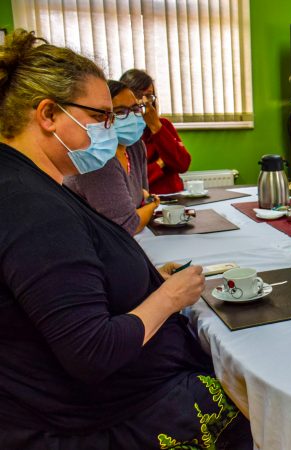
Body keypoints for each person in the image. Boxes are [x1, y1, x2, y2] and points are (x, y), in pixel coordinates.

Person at [0, 30, 251, 448]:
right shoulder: (29, 204)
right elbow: (90, 350)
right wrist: (169, 296)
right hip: (105, 418)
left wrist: (144, 276)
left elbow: (60, 286)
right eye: (100, 117)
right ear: (48, 114)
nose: (109, 130)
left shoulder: (33, 183)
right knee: (256, 404)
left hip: (105, 399)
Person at [64, 80, 158, 235]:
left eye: (135, 109)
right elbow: (128, 226)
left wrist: (144, 204)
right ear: (104, 116)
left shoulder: (135, 147)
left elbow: (142, 198)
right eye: (120, 112)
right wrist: (153, 205)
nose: (132, 117)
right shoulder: (98, 157)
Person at [120, 68, 191, 194]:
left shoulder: (164, 125)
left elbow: (182, 164)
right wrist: (160, 164)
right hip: (145, 200)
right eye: (138, 95)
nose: (144, 102)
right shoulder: (122, 131)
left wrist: (155, 126)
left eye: (148, 96)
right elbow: (132, 180)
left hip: (174, 195)